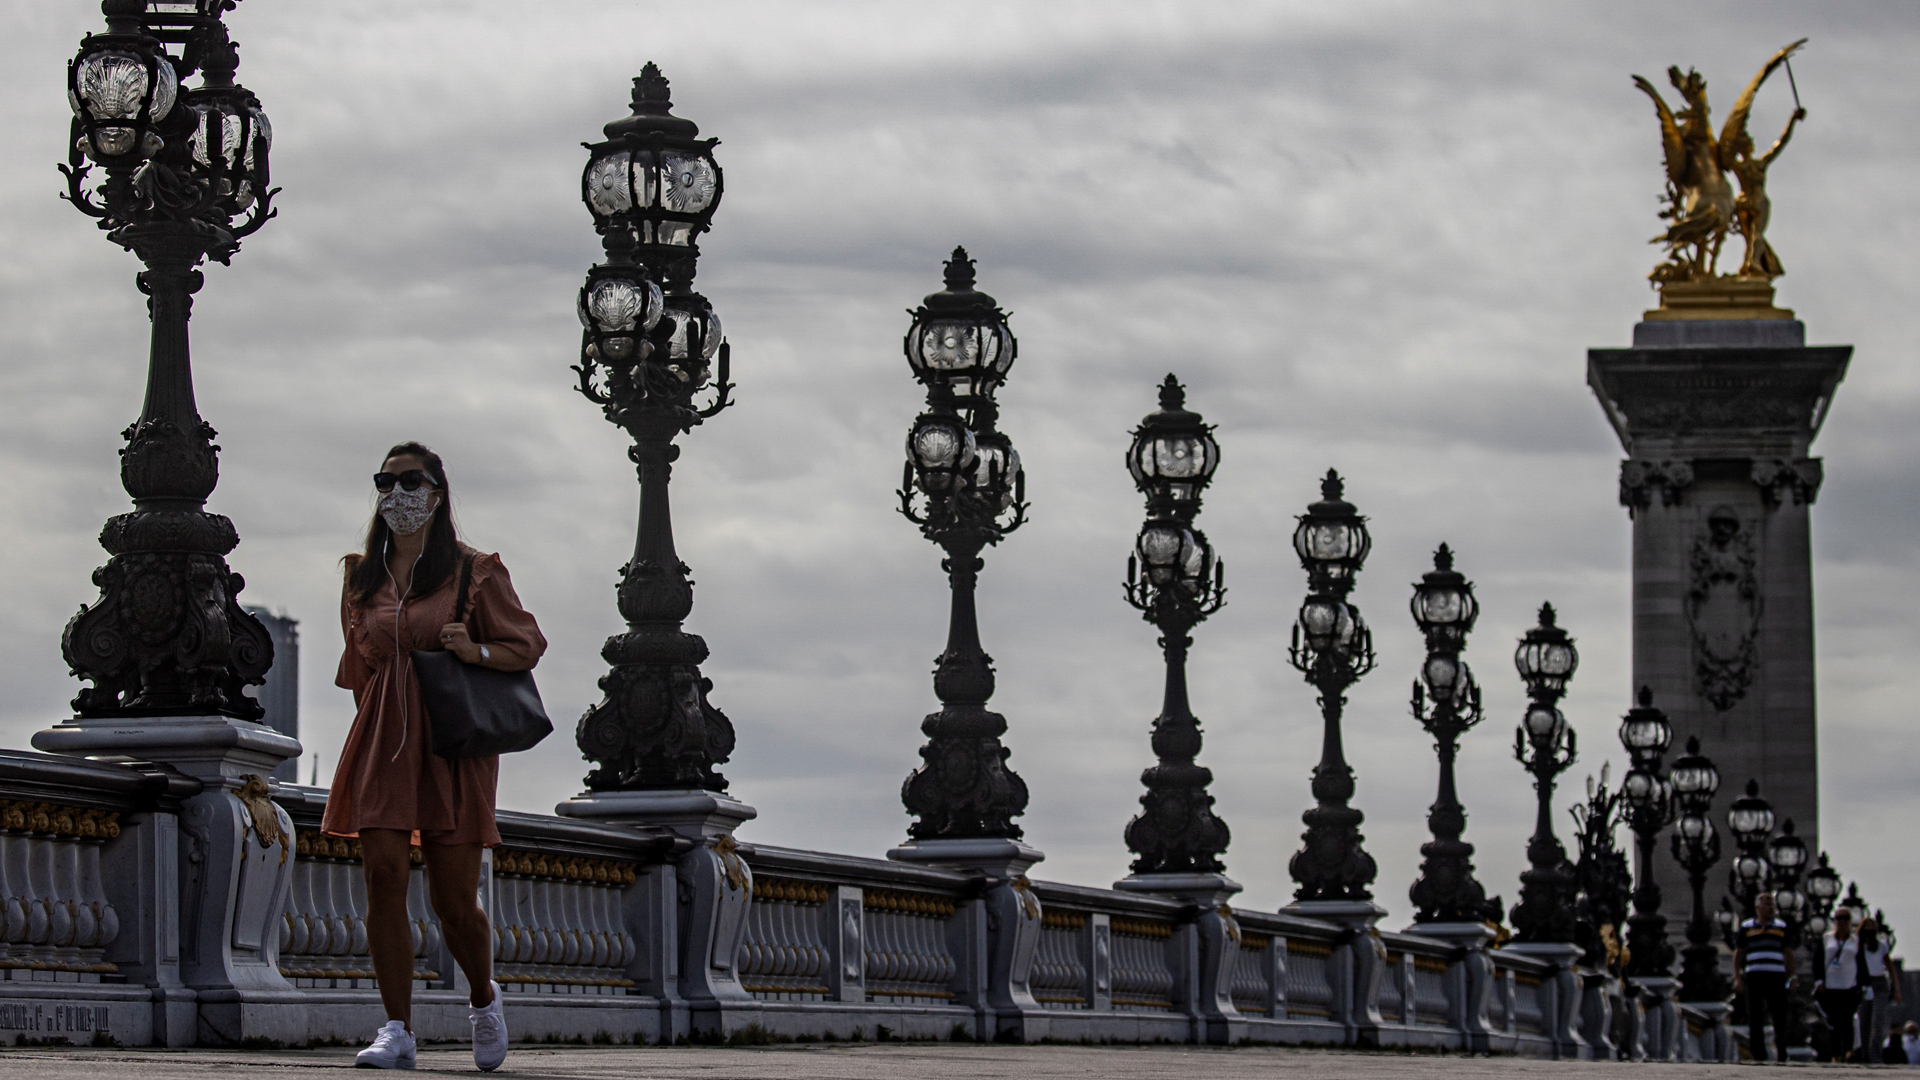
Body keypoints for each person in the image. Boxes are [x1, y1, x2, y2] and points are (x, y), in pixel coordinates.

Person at [322, 442, 547, 1071]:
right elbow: (360, 669)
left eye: (410, 481)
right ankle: (397, 1028)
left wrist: (471, 650)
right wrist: (375, 734)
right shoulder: (361, 575)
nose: (397, 494)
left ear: (438, 492)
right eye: (385, 482)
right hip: (381, 737)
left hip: (450, 739)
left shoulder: (474, 571)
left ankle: (483, 999)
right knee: (383, 878)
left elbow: (526, 644)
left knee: (454, 899)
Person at [1733, 891, 1795, 1064]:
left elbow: (1788, 953)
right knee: (1755, 1015)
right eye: (1767, 903)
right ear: (1757, 907)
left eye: (1772, 904)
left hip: (1776, 975)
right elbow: (1739, 952)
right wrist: (1737, 976)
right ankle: (1758, 1054)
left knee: (1779, 1015)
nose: (1771, 907)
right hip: (1754, 975)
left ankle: (1782, 1053)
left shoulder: (1781, 927)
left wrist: (1793, 976)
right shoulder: (1747, 927)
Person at [1815, 907, 1865, 1061]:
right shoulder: (1826, 939)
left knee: (1847, 1019)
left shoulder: (1855, 941)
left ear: (1849, 921)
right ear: (1834, 920)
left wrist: (1864, 985)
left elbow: (1861, 963)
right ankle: (1835, 1054)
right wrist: (1819, 981)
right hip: (1830, 987)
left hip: (1849, 986)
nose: (1842, 921)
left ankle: (1848, 1052)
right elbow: (1817, 961)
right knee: (1833, 1021)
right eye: (1839, 918)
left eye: (1845, 918)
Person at [1857, 915, 1902, 1063]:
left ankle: (1875, 1055)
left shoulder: (1881, 945)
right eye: (1867, 925)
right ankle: (1865, 1056)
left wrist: (1896, 989)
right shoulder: (1856, 945)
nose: (1870, 928)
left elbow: (1889, 967)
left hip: (1879, 984)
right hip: (1862, 983)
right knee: (1864, 1022)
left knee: (1878, 1021)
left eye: (1872, 925)